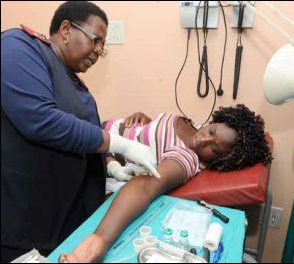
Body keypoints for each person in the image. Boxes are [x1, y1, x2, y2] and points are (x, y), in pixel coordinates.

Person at [1, 2, 160, 262]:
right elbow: (43, 121)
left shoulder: (73, 81)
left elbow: (87, 131)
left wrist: (111, 167)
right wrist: (124, 145)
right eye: (95, 40)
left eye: (102, 47)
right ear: (66, 29)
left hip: (66, 221)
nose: (98, 52)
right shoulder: (18, 47)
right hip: (22, 223)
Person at [58, 104, 273, 263]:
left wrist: (101, 238)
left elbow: (145, 186)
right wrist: (146, 121)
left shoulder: (186, 158)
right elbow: (160, 136)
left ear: (221, 159)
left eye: (214, 149)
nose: (203, 140)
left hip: (96, 149)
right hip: (99, 126)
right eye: (211, 131)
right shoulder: (194, 126)